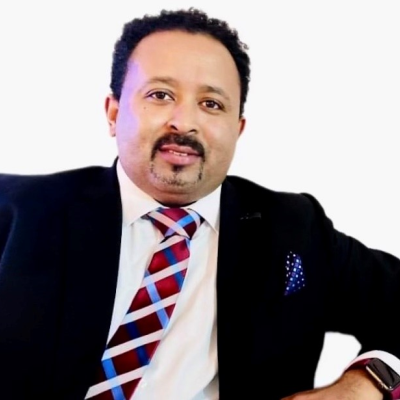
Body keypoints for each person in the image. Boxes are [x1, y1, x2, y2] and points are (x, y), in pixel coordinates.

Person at [0, 7, 399, 400]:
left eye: (211, 104)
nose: (184, 122)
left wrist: (368, 382)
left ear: (237, 129)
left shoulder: (294, 228)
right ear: (114, 113)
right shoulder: (16, 212)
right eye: (160, 95)